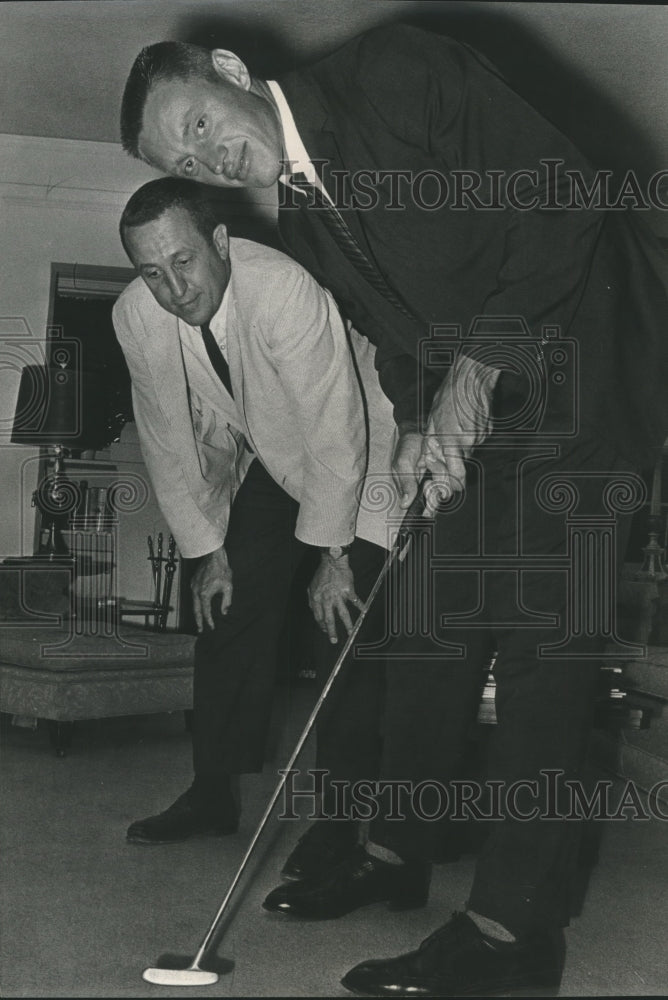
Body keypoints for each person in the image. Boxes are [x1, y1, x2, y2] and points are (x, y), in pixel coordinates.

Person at [119, 24, 668, 997]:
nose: (207, 157)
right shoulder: (304, 213)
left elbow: (560, 194)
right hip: (491, 406)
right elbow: (394, 330)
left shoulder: (397, 73)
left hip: (588, 380)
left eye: (198, 123)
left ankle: (511, 935)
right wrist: (422, 421)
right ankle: (390, 851)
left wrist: (469, 375)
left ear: (233, 75)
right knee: (425, 624)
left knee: (545, 652)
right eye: (186, 159)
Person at [112, 177, 423, 894]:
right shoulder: (137, 317)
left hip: (364, 448)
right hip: (277, 459)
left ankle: (342, 824)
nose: (172, 288)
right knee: (225, 607)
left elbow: (336, 427)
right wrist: (207, 551)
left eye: (183, 262)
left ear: (220, 242)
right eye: (151, 272)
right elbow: (167, 437)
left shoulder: (284, 288)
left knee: (338, 624)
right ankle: (212, 791)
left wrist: (335, 557)